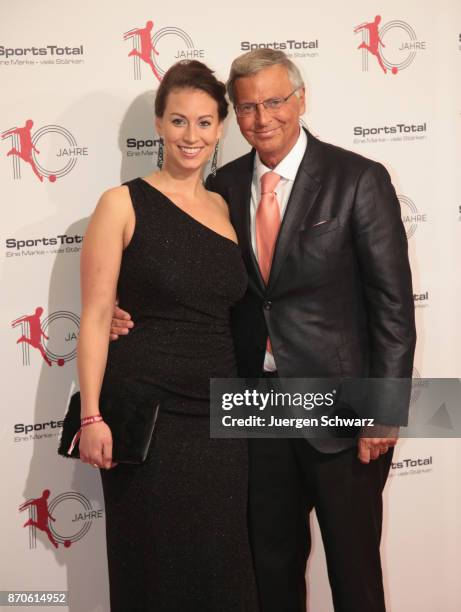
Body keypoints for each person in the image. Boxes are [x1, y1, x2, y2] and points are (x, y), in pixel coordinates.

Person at [112, 50, 416, 612]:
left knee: (355, 573)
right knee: (269, 572)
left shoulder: (357, 178)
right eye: (247, 107)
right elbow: (194, 279)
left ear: (300, 100)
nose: (262, 118)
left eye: (274, 101)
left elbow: (393, 305)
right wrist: (120, 309)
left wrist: (386, 408)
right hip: (256, 409)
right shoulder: (223, 186)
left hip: (343, 411)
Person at [77, 60, 258, 612]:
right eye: (179, 121)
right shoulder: (120, 204)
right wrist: (90, 415)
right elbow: (93, 315)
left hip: (220, 416)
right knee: (151, 567)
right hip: (145, 414)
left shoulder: (227, 206)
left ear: (221, 127)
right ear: (158, 124)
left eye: (205, 123)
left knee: (222, 566)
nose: (192, 136)